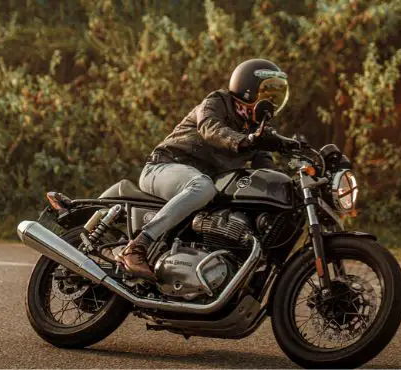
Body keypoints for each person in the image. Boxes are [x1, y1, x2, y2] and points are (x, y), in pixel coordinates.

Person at [115, 58, 302, 281]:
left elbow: (266, 170)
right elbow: (210, 129)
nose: (271, 103)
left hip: (200, 186)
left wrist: (293, 181)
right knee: (202, 186)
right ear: (248, 90)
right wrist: (246, 141)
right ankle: (137, 246)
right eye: (266, 95)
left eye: (276, 97)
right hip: (163, 167)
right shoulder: (217, 102)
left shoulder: (255, 130)